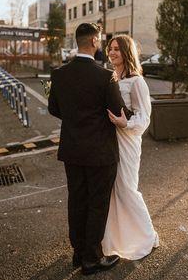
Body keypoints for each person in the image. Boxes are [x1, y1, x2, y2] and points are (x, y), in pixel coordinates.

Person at [48, 23, 132, 276]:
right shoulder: (105, 75)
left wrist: (75, 118)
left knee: (77, 201)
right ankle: (92, 259)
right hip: (99, 152)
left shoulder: (59, 74)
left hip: (72, 150)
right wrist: (131, 114)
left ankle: (78, 253)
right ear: (94, 41)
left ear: (77, 41)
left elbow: (54, 109)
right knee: (97, 203)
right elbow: (117, 111)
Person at [102, 34, 159, 260]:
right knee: (113, 192)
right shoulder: (111, 78)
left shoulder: (137, 81)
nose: (112, 52)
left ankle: (147, 235)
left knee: (127, 188)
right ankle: (117, 239)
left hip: (128, 141)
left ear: (126, 52)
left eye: (116, 49)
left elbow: (144, 118)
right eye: (110, 48)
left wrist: (126, 123)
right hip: (109, 141)